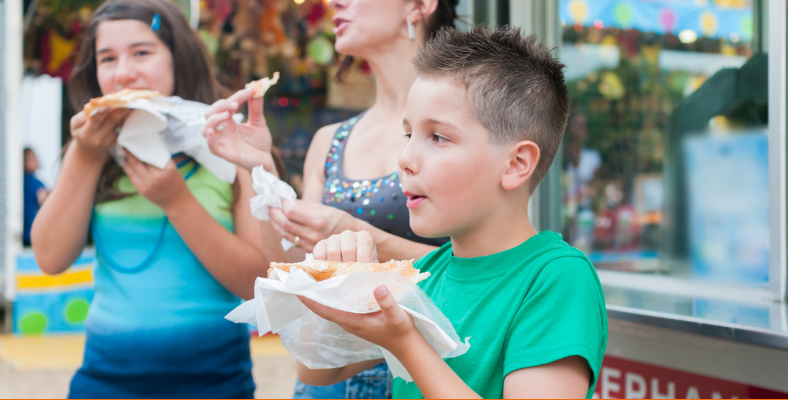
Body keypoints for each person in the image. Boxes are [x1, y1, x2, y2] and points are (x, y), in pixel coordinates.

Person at [293, 27, 608, 399]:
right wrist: (337, 281)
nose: (405, 159)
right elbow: (317, 368)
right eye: (408, 135)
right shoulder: (426, 274)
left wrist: (406, 344)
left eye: (438, 137)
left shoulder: (557, 278)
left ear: (516, 164)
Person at [202, 0, 458, 397]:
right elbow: (292, 276)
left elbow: (478, 266)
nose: (335, 2)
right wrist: (263, 173)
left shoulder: (459, 131)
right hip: (326, 378)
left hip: (426, 377)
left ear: (419, 5)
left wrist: (357, 231)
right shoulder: (331, 140)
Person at [30, 0, 279, 397]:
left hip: (215, 381)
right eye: (107, 58)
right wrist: (86, 154)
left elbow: (260, 283)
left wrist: (177, 203)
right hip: (103, 380)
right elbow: (50, 258)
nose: (124, 73)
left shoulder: (233, 147)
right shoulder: (93, 150)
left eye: (142, 53)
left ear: (178, 59)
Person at [23, 147, 48, 246]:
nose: (37, 161)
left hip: (24, 234)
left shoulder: (18, 180)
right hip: (33, 234)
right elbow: (46, 202)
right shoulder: (35, 183)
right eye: (33, 158)